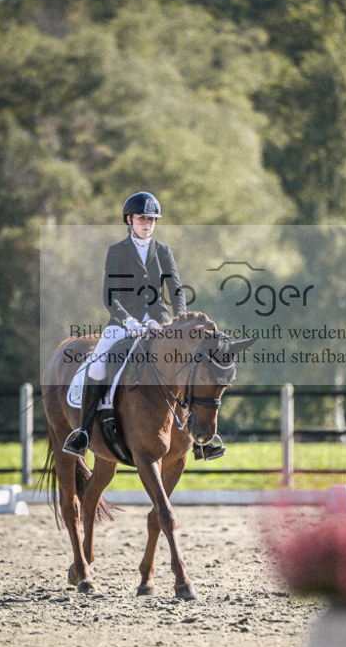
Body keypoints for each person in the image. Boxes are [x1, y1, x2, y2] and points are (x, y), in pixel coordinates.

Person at [63, 191, 225, 461]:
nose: (147, 223)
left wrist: (180, 322)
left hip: (160, 323)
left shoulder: (163, 251)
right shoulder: (117, 251)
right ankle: (83, 434)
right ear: (130, 219)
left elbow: (176, 290)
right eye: (142, 218)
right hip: (122, 323)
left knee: (191, 366)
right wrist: (128, 320)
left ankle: (202, 439)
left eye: (151, 219)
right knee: (99, 364)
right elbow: (109, 294)